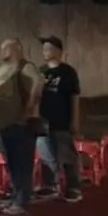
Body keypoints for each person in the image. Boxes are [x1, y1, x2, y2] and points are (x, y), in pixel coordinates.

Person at [0, 38, 42, 216]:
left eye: (7, 47)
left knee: (23, 162)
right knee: (11, 162)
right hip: (5, 124)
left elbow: (37, 86)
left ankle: (21, 200)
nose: (3, 51)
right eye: (2, 47)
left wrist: (28, 109)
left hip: (22, 123)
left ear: (17, 49)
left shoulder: (26, 67)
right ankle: (17, 195)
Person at [36, 36, 83, 203]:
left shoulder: (68, 72)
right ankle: (50, 185)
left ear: (59, 51)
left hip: (62, 120)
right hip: (43, 121)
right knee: (46, 155)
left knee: (67, 155)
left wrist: (75, 120)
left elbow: (74, 97)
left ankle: (73, 187)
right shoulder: (40, 72)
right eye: (44, 49)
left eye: (49, 48)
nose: (45, 52)